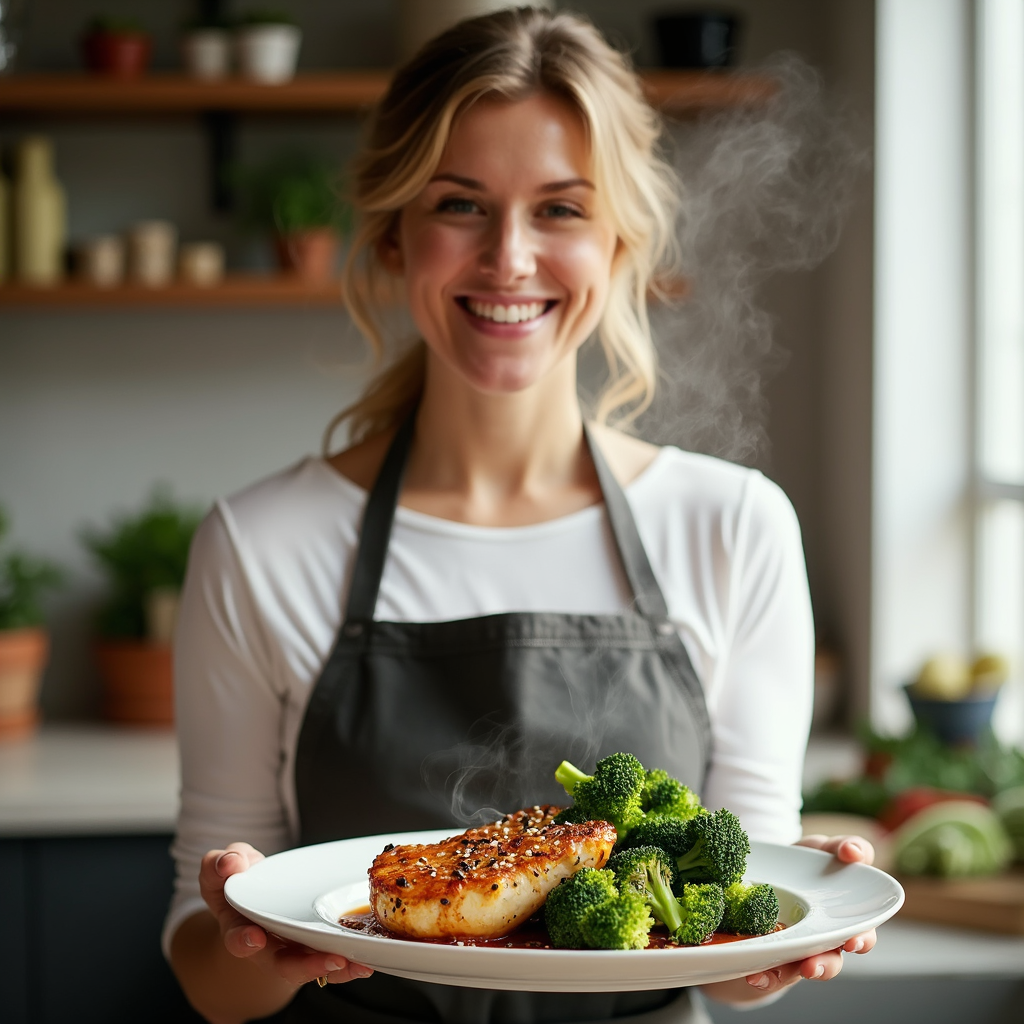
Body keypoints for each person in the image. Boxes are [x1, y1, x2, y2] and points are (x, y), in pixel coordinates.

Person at [166, 9, 876, 1024]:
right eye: (460, 204)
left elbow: (729, 945)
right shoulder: (260, 543)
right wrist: (251, 939)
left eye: (559, 210)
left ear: (620, 241)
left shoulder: (734, 527)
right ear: (393, 231)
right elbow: (205, 971)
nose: (507, 257)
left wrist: (778, 942)